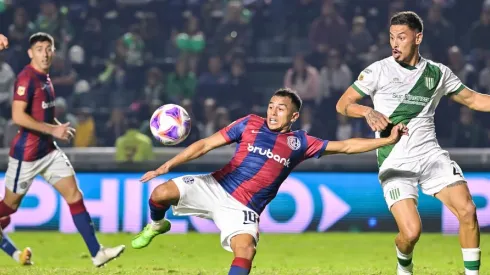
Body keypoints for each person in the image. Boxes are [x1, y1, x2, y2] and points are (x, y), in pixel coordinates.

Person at [132, 88, 408, 274]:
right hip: (215, 185)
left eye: (280, 109)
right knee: (160, 192)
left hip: (243, 209)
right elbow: (205, 144)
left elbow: (346, 146)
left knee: (246, 250)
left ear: (294, 116)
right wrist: (167, 165)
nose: (273, 113)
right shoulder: (249, 123)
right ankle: (157, 224)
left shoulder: (300, 142)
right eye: (270, 107)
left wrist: (387, 140)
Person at [336, 11, 485, 275]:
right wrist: (367, 111)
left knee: (468, 210)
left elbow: (474, 100)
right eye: (392, 37)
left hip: (430, 155)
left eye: (401, 37)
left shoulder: (437, 73)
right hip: (395, 159)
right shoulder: (378, 70)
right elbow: (343, 104)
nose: (395, 43)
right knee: (411, 232)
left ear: (418, 38)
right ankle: (404, 266)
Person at [0, 32, 125, 267]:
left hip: (48, 151)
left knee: (75, 196)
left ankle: (97, 253)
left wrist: (57, 128)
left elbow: (41, 114)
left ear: (54, 52)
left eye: (49, 48)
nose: (45, 53)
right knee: (9, 207)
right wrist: (52, 129)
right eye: (39, 49)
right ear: (30, 53)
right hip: (26, 155)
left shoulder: (46, 78)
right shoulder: (26, 78)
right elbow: (18, 116)